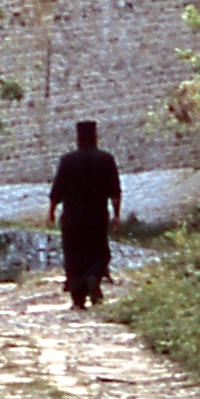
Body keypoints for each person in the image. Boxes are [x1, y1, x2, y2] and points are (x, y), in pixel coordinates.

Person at [49, 119, 122, 308]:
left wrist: (51, 212)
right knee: (98, 252)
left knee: (74, 255)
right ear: (96, 137)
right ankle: (94, 276)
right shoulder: (106, 159)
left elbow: (57, 190)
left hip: (72, 218)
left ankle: (78, 298)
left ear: (78, 138)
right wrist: (116, 214)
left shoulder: (67, 161)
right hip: (97, 217)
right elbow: (115, 191)